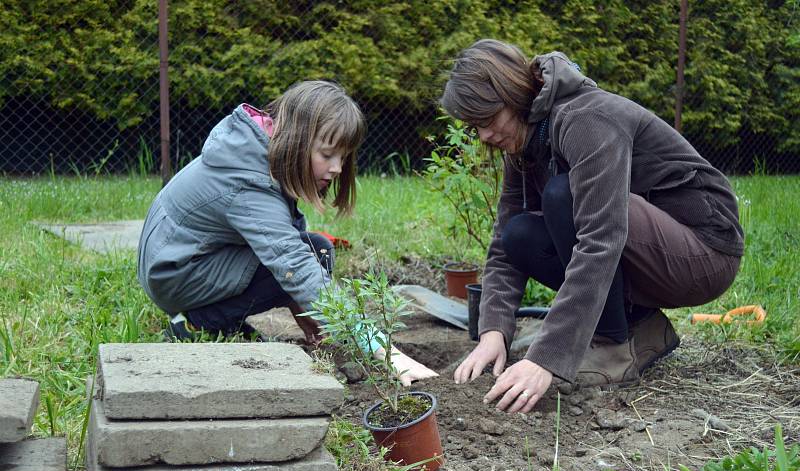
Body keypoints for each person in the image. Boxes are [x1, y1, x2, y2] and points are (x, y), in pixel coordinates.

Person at [441, 40, 743, 413]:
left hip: (704, 252)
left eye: (487, 120)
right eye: (475, 128)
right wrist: (494, 332)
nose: (484, 136)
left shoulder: (584, 118)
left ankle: (613, 346)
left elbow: (601, 239)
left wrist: (547, 358)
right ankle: (642, 329)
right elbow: (505, 243)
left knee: (563, 194)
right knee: (520, 235)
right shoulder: (523, 142)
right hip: (648, 248)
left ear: (511, 93)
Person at [137, 80, 437, 386]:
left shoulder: (259, 150)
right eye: (327, 154)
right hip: (175, 274)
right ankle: (198, 322)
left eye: (343, 158)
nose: (336, 168)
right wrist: (384, 351)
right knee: (304, 260)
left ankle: (284, 331)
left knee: (316, 248)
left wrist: (317, 333)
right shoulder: (249, 181)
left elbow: (292, 242)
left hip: (190, 261)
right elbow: (294, 266)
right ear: (296, 138)